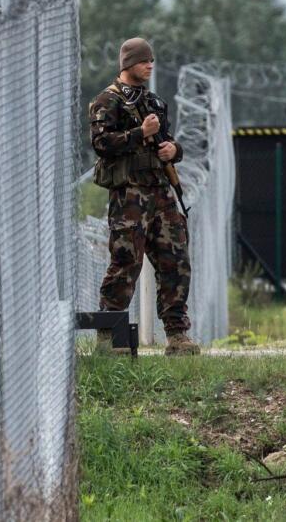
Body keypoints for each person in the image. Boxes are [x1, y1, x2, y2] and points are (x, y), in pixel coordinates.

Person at [88, 37, 200, 356]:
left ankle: (177, 335)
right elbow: (100, 144)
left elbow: (167, 141)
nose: (150, 65)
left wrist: (174, 149)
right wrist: (140, 134)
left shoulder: (154, 103)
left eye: (151, 59)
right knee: (126, 261)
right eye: (144, 60)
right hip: (129, 194)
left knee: (175, 260)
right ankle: (108, 337)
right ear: (128, 64)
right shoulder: (106, 102)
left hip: (160, 191)